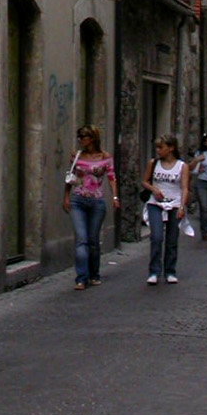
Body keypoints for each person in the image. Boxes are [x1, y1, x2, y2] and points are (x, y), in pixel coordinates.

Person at [61, 124, 119, 290]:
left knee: (93, 240)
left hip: (97, 201)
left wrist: (115, 197)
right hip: (78, 199)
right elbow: (70, 177)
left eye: (83, 137)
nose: (80, 141)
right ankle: (81, 277)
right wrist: (66, 196)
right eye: (79, 137)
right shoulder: (77, 156)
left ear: (92, 139)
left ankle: (94, 273)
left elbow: (112, 177)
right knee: (82, 239)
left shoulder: (105, 157)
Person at [142, 134, 190, 285]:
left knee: (172, 239)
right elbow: (145, 181)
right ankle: (154, 271)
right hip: (155, 204)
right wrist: (153, 189)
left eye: (161, 147)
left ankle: (170, 270)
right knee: (156, 237)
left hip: (174, 204)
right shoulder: (154, 163)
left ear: (171, 148)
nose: (158, 150)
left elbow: (184, 188)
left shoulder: (182, 166)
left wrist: (182, 206)